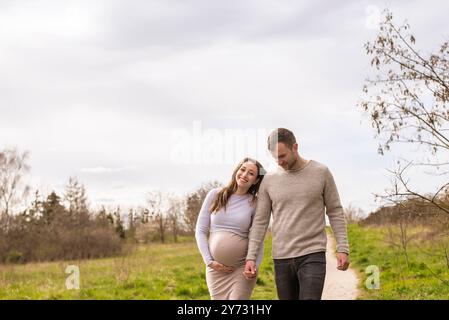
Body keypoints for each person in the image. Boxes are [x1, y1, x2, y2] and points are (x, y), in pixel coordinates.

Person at [244, 128, 350, 300]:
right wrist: (251, 257)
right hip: (281, 257)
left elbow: (335, 211)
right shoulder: (269, 180)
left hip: (312, 254)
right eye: (275, 158)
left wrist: (343, 248)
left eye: (282, 156)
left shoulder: (321, 172)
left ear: (295, 147)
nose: (279, 162)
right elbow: (260, 222)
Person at [195, 157, 266, 300]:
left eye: (251, 173)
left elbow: (258, 238)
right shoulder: (215, 194)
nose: (245, 175)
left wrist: (254, 266)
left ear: (256, 180)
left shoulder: (255, 203)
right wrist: (209, 261)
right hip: (215, 270)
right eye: (243, 169)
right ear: (236, 171)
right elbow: (201, 230)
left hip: (241, 268)